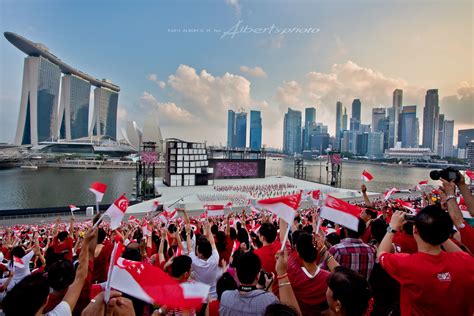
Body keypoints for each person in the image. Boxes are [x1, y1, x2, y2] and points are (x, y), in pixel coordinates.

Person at [377, 207, 474, 315]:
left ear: (415, 230)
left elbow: (381, 253)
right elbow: (461, 255)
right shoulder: (465, 262)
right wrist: (438, 231)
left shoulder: (407, 264)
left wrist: (392, 227)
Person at [186, 220, 220, 299]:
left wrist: (187, 233)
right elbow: (212, 243)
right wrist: (208, 228)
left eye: (197, 249)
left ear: (200, 254)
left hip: (201, 297)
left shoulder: (195, 262)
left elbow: (189, 248)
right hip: (214, 295)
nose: (196, 250)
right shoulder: (215, 258)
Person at [254, 222, 280, 295]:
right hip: (282, 289)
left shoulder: (256, 254)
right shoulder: (280, 247)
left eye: (259, 234)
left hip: (267, 292)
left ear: (263, 238)